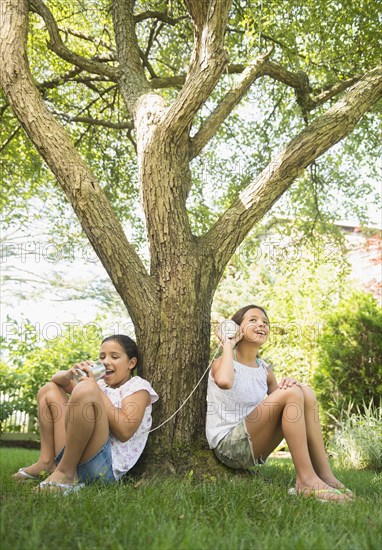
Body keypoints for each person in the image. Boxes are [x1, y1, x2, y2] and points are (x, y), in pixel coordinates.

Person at [206, 305, 353, 502]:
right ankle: (306, 481)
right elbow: (224, 381)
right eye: (253, 320)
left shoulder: (265, 371)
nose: (261, 324)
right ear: (236, 328)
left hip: (254, 446)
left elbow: (291, 409)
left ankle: (325, 476)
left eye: (265, 322)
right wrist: (227, 344)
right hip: (228, 447)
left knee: (305, 392)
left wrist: (294, 386)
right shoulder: (222, 362)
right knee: (294, 392)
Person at [12, 334, 158, 494]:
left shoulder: (137, 387)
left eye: (114, 356)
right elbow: (57, 381)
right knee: (49, 389)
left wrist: (94, 389)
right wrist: (69, 373)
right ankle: (46, 462)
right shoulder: (99, 384)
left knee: (85, 389)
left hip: (102, 467)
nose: (106, 361)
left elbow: (125, 431)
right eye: (102, 357)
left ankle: (65, 474)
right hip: (76, 455)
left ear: (131, 363)